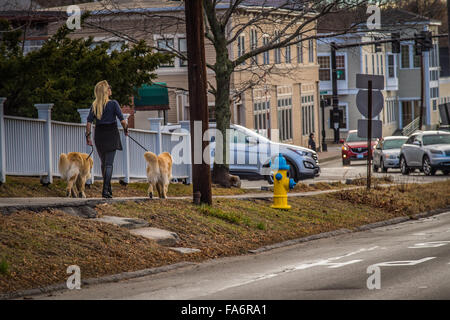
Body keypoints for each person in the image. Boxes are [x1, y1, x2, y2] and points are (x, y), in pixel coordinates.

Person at [85, 80, 128, 198]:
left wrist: (88, 136)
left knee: (104, 164)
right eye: (109, 87)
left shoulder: (94, 105)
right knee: (109, 164)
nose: (110, 89)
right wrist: (125, 129)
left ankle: (108, 188)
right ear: (105, 91)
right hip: (111, 134)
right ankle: (105, 191)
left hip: (99, 135)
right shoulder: (113, 104)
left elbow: (89, 122)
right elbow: (122, 120)